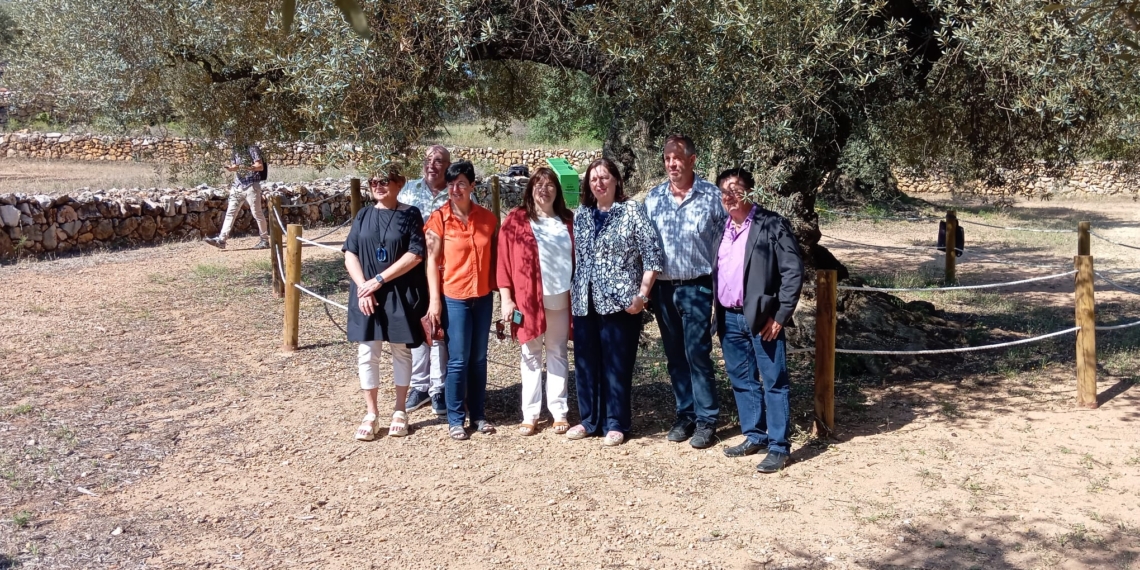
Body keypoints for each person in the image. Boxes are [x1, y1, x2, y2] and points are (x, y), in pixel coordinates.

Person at [712, 168, 804, 473]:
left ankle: (779, 447)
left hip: (763, 319)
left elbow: (792, 272)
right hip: (728, 317)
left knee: (774, 381)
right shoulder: (721, 228)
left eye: (737, 188)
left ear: (750, 191)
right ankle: (755, 435)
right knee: (742, 381)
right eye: (724, 190)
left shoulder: (772, 224)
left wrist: (781, 315)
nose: (730, 195)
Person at [567, 158, 663, 447]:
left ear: (616, 181)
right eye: (594, 179)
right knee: (586, 363)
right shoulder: (582, 214)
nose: (599, 183)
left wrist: (643, 295)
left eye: (605, 177)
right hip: (585, 300)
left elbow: (653, 254)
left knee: (616, 364)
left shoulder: (632, 210)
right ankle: (589, 420)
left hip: (621, 303)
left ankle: (616, 423)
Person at [643, 134, 726, 449]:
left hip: (698, 287)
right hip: (664, 291)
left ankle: (707, 420)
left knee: (697, 354)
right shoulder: (653, 200)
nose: (671, 164)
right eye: (666, 158)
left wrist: (721, 294)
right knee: (676, 356)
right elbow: (646, 249)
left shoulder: (712, 197)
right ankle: (685, 414)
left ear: (692, 160)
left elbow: (723, 249)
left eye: (677, 158)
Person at [342, 169, 429, 441]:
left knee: (401, 352)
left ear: (399, 184)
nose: (377, 186)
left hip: (398, 293)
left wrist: (378, 280)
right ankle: (371, 413)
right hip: (366, 295)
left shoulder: (410, 214)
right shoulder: (364, 215)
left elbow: (415, 255)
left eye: (384, 181)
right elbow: (350, 253)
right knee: (368, 353)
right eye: (373, 182)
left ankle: (400, 410)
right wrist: (363, 287)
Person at [496, 168, 575, 436]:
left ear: (557, 190)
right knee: (530, 354)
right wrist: (507, 299)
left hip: (561, 299)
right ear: (530, 188)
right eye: (538, 184)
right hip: (528, 301)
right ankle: (530, 414)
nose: (544, 188)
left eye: (550, 184)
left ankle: (559, 411)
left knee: (557, 352)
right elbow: (503, 262)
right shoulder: (516, 220)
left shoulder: (567, 220)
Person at [425, 161, 499, 441]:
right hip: (454, 297)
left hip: (482, 297)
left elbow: (496, 258)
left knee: (479, 359)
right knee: (457, 360)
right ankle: (456, 418)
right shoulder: (438, 219)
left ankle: (478, 415)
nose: (455, 189)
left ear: (472, 187)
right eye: (451, 184)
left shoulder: (488, 219)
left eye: (461, 184)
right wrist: (435, 300)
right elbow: (431, 262)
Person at [400, 145, 452, 417]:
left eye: (439, 161)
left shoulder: (457, 192)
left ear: (447, 166)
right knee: (418, 328)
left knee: (439, 327)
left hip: (446, 271)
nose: (432, 165)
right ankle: (419, 386)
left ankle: (439, 387)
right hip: (413, 271)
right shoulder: (408, 190)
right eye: (429, 160)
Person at [204, 134, 270, 250]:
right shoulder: (235, 150)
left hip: (251, 185)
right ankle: (221, 240)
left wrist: (242, 168)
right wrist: (232, 168)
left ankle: (264, 240)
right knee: (230, 212)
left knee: (257, 213)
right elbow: (236, 165)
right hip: (238, 185)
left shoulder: (252, 148)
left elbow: (259, 166)